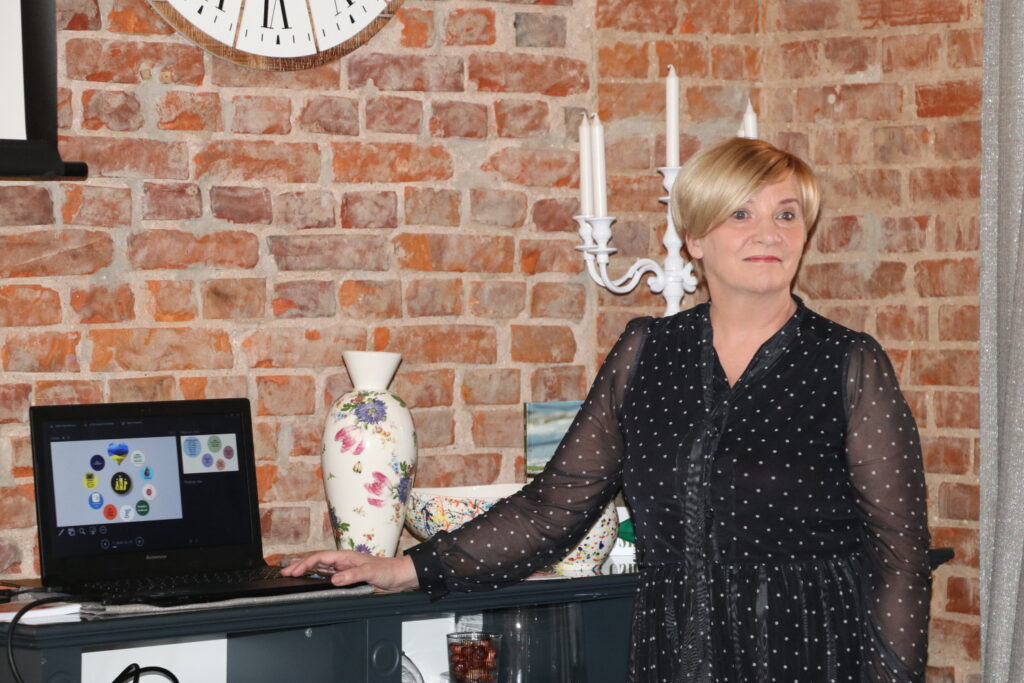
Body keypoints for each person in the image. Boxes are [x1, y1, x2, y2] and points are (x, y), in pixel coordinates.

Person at [283, 137, 932, 682]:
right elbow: (554, 507)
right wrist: (407, 568)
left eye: (786, 214)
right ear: (694, 238)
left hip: (810, 649)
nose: (768, 232)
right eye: (741, 213)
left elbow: (901, 555)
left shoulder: (848, 363)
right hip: (674, 650)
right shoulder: (646, 353)